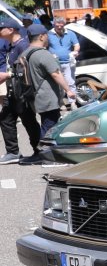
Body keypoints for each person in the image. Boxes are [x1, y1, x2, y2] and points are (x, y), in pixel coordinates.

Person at [20, 23, 68, 164]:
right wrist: (69, 90)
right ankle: (47, 158)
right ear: (41, 36)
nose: (48, 38)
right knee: (49, 127)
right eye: (47, 35)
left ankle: (42, 155)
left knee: (46, 125)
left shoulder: (25, 54)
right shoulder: (43, 54)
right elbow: (56, 74)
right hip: (47, 97)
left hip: (34, 96)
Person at [0, 19, 39, 164]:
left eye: (1, 29)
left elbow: (27, 70)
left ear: (11, 30)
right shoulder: (12, 46)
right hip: (13, 91)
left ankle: (39, 151)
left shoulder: (23, 46)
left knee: (29, 121)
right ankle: (13, 152)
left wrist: (8, 75)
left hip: (23, 92)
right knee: (5, 119)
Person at [47, 14, 80, 108]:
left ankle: (72, 102)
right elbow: (44, 46)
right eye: (57, 26)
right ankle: (60, 102)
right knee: (58, 84)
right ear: (54, 24)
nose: (59, 28)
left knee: (71, 82)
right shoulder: (48, 34)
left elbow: (77, 45)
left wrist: (75, 52)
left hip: (68, 62)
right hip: (54, 63)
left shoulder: (70, 33)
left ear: (64, 25)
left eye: (61, 26)